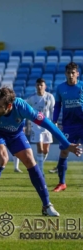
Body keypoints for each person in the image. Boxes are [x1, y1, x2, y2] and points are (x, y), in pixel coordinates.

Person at [0, 87, 81, 217]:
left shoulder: (22, 107)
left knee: (30, 161)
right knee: (2, 159)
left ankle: (47, 205)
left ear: (9, 105)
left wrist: (66, 144)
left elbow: (47, 124)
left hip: (15, 134)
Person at [51, 62, 83, 192]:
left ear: (77, 74)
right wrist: (54, 120)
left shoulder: (81, 86)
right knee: (64, 151)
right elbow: (57, 105)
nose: (70, 75)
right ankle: (62, 183)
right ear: (65, 74)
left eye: (73, 73)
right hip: (69, 125)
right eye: (68, 73)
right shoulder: (60, 88)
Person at [25, 78, 55, 176]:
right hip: (36, 126)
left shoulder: (50, 97)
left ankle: (39, 164)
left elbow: (53, 110)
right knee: (40, 148)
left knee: (46, 150)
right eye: (38, 85)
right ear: (35, 86)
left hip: (47, 126)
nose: (39, 87)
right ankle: (41, 171)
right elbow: (26, 109)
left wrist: (54, 122)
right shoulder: (31, 98)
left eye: (41, 85)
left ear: (45, 86)